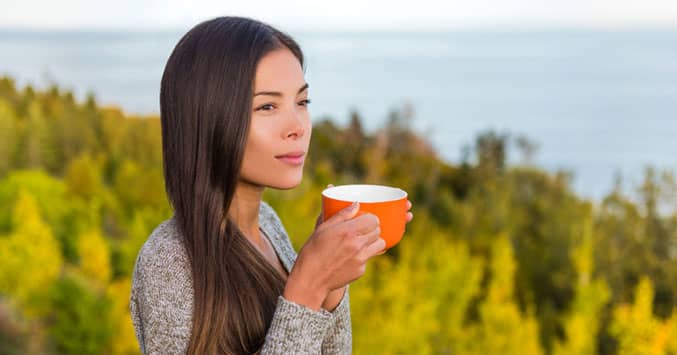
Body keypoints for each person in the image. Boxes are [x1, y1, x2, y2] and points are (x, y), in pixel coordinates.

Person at [129, 16, 413, 354]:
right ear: (210, 118)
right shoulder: (168, 262)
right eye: (267, 106)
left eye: (302, 102)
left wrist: (331, 288)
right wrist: (307, 287)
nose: (298, 127)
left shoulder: (267, 224)